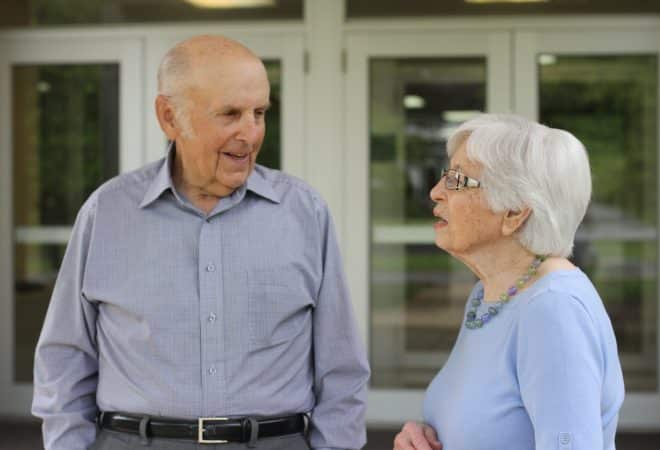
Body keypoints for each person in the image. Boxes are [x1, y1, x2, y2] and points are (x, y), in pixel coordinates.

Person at [32, 35, 370, 450]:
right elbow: (64, 360)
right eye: (230, 114)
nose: (250, 133)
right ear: (169, 117)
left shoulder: (305, 213)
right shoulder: (106, 213)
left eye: (259, 113)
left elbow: (342, 371)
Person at [393, 114, 624, 450]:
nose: (436, 192)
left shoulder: (553, 310)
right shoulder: (490, 294)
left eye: (457, 180)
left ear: (515, 212)